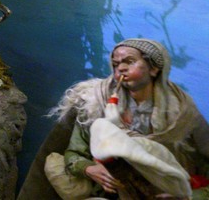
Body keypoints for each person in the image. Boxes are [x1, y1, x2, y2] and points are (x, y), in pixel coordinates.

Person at [43, 38, 209, 199]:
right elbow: (74, 153)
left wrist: (187, 196)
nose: (121, 68)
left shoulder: (181, 114)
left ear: (154, 69)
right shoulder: (96, 105)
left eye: (129, 62)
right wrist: (89, 169)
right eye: (116, 64)